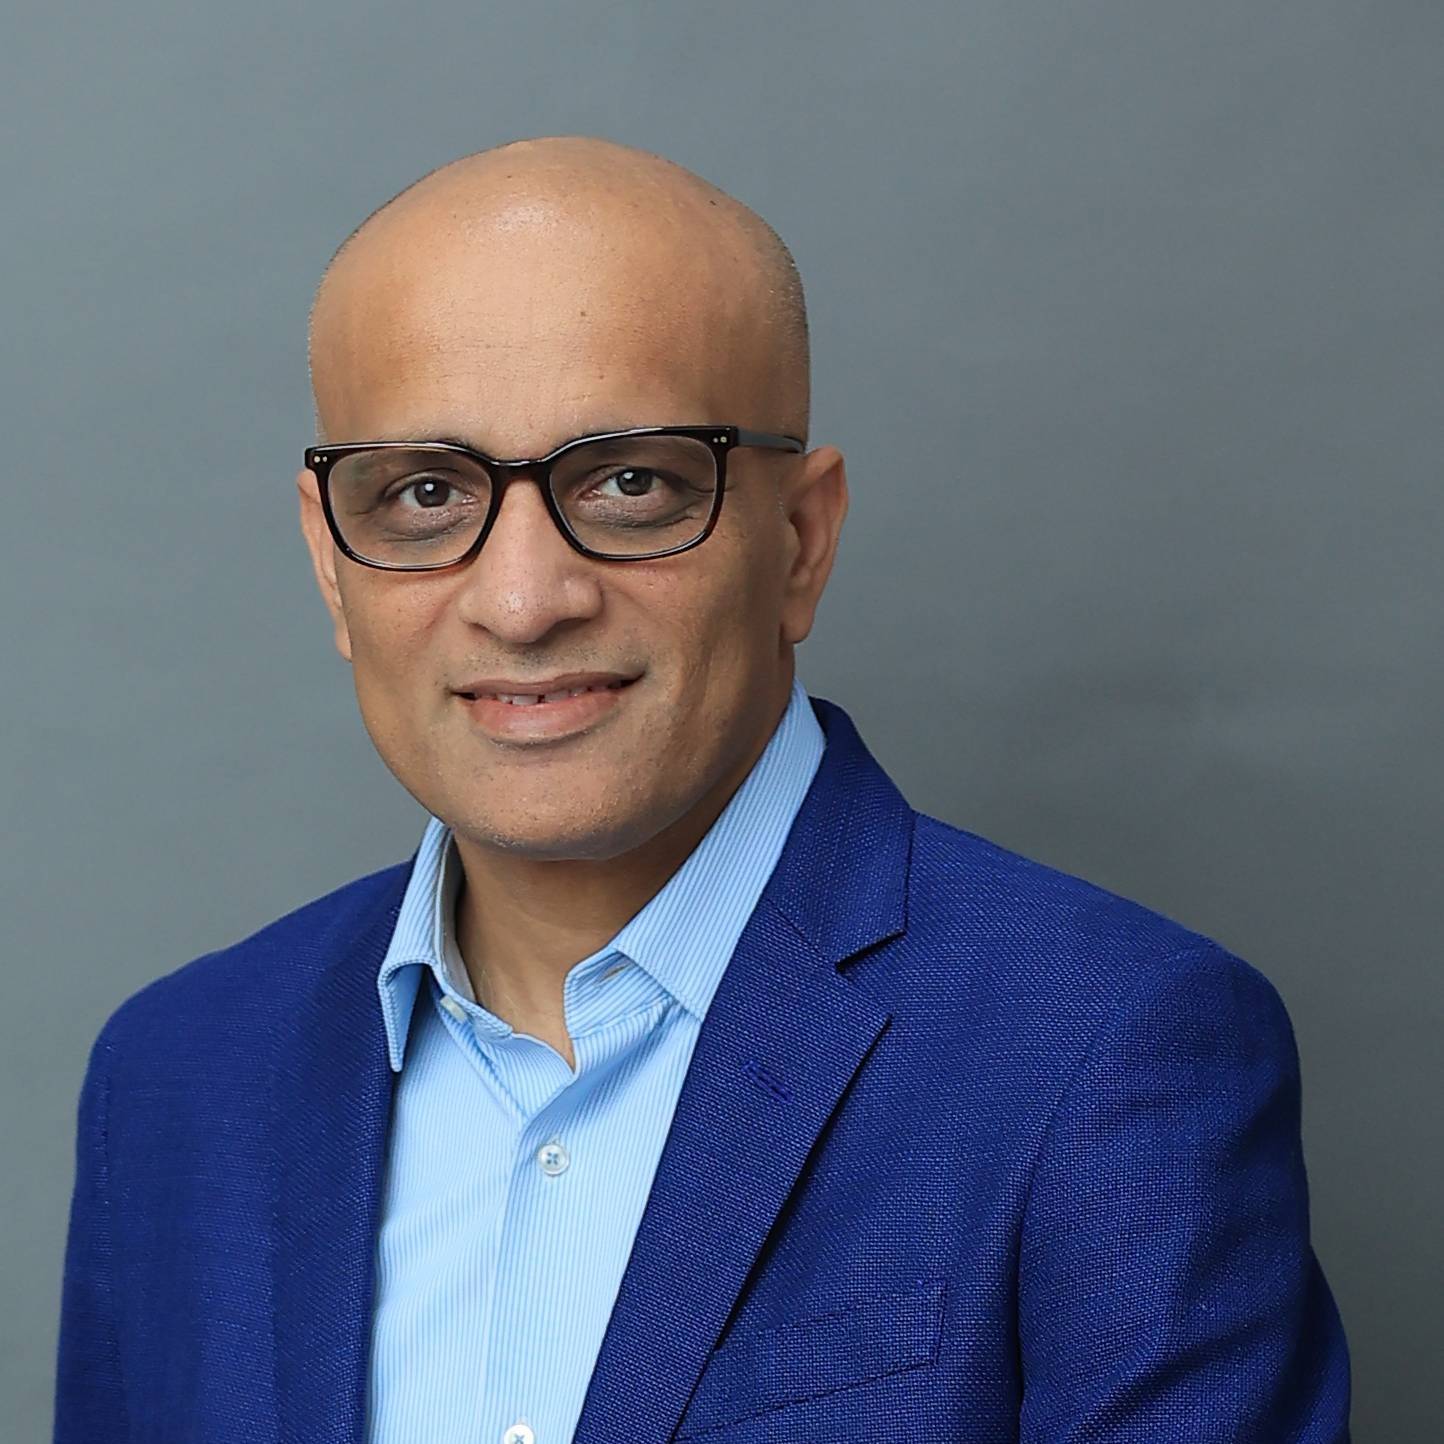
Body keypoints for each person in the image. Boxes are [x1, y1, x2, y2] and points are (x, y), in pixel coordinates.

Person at [53, 136, 1351, 1444]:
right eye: (426, 493)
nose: (523, 601)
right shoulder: (176, 1081)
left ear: (801, 541)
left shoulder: (1109, 1051)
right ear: (333, 566)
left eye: (631, 482)